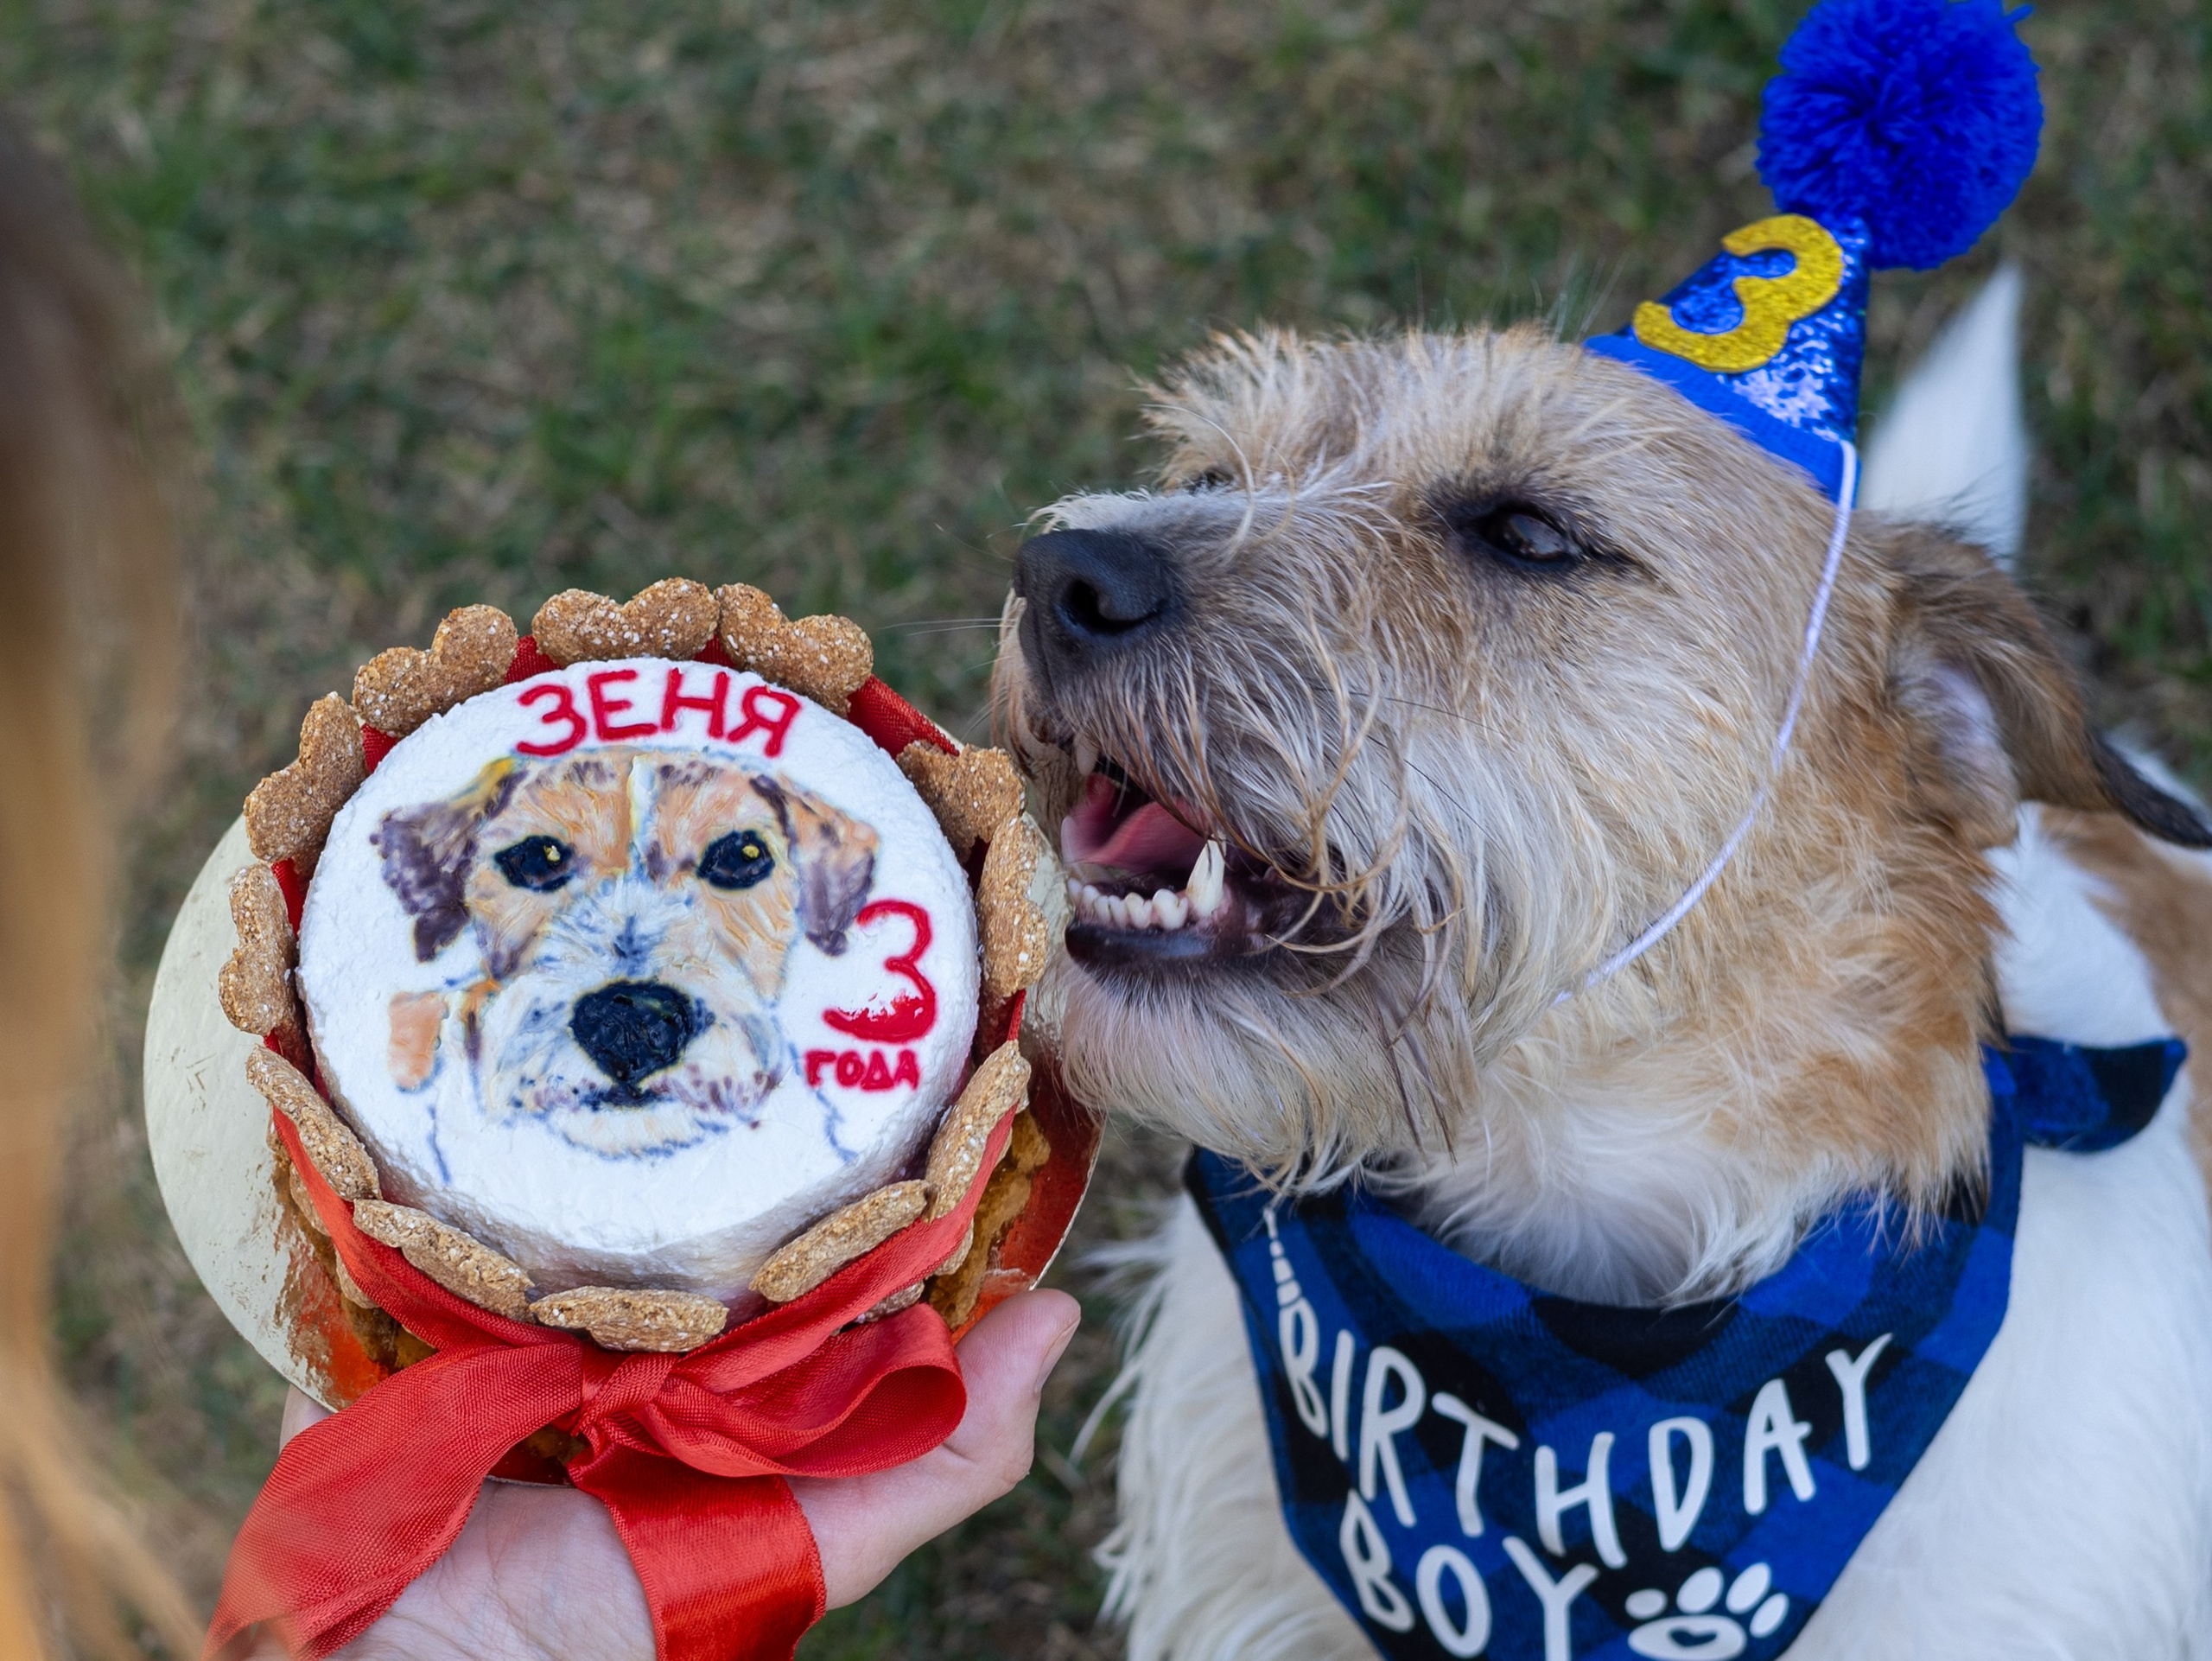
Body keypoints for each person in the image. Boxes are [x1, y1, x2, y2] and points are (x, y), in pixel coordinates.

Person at [0, 110, 1080, 1659]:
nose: (634, 970)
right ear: (446, 880)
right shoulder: (409, 876)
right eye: (535, 862)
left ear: (832, 884)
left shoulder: (858, 849)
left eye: (735, 862)